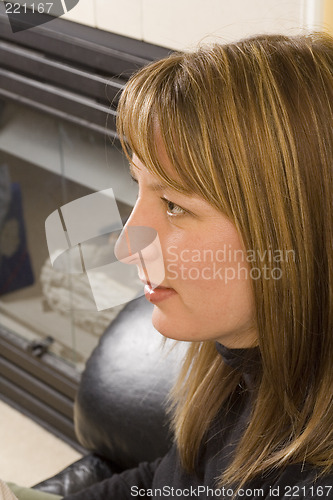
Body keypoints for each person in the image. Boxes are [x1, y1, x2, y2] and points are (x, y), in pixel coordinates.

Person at [9, 31, 333, 499]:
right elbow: (172, 479)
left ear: (294, 229)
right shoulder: (244, 364)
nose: (126, 246)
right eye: (138, 187)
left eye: (175, 206)